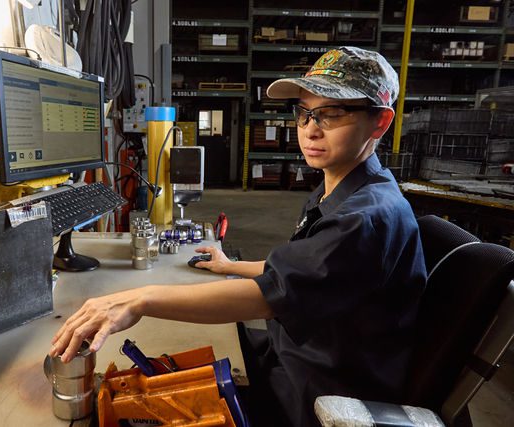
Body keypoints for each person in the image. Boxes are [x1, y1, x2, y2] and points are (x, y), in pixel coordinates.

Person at [49, 46, 426, 426]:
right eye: (305, 113)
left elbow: (268, 297)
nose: (311, 128)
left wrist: (137, 301)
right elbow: (311, 270)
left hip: (312, 395)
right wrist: (231, 265)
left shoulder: (366, 218)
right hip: (292, 356)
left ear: (380, 122)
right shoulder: (344, 189)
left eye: (331, 114)